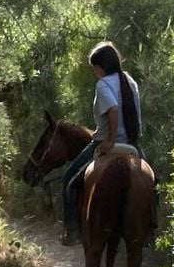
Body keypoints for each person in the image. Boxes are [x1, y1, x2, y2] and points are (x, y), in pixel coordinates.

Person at [60, 41, 143, 246]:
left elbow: (113, 109)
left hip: (107, 143)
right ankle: (149, 228)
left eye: (95, 68)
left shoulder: (103, 84)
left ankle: (72, 229)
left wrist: (111, 140)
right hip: (133, 145)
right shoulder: (130, 82)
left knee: (69, 180)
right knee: (154, 182)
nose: (95, 73)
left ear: (102, 67)